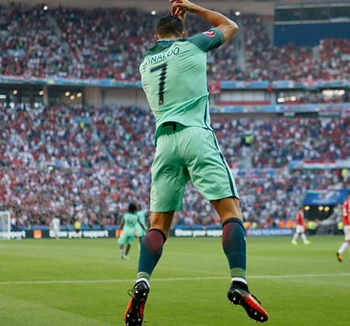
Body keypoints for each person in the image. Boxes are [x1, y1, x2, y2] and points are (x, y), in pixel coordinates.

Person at [124, 1, 269, 325]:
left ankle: (142, 279)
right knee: (230, 213)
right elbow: (230, 25)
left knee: (158, 225)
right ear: (184, 32)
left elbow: (163, 46)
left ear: (157, 34)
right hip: (195, 134)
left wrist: (174, 30)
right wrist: (193, 7)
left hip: (163, 141)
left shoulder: (145, 63)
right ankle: (239, 281)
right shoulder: (192, 44)